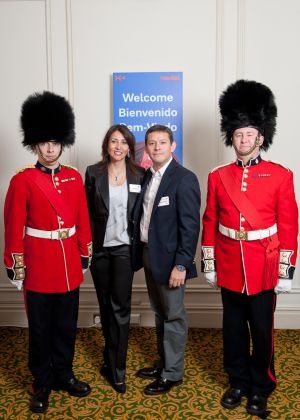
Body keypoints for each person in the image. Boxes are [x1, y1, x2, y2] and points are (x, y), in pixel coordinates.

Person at [201, 80, 298, 418]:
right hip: (229, 264)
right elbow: (210, 221)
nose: (242, 140)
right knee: (232, 329)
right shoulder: (218, 175)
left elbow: (288, 226)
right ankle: (238, 381)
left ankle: (261, 386)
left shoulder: (280, 175)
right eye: (238, 134)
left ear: (261, 137)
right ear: (232, 137)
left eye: (249, 134)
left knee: (262, 330)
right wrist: (209, 263)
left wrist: (286, 271)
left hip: (264, 267)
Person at [4, 91, 93, 413]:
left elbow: (82, 219)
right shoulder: (22, 181)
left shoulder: (72, 177)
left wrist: (84, 253)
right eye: (44, 142)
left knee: (66, 325)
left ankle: (64, 374)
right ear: (34, 145)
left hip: (68, 263)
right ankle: (41, 381)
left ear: (62, 142)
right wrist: (15, 266)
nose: (51, 148)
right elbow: (13, 227)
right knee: (40, 329)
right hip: (39, 265)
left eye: (55, 142)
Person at [132, 124, 201, 395]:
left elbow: (190, 226)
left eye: (162, 142)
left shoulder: (184, 178)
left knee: (173, 315)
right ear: (147, 147)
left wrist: (182, 264)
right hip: (150, 254)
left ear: (172, 146)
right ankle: (164, 363)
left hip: (173, 261)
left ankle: (172, 374)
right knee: (160, 313)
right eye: (152, 143)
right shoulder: (148, 176)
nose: (157, 147)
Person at [85, 124, 144, 394]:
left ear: (130, 147)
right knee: (106, 307)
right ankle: (110, 360)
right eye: (113, 141)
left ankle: (118, 370)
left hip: (123, 249)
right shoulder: (93, 173)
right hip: (99, 250)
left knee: (120, 308)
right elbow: (84, 214)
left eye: (123, 142)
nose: (118, 147)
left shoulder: (140, 174)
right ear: (106, 145)